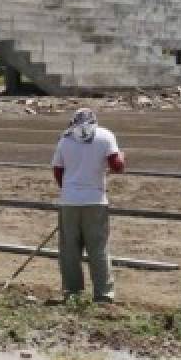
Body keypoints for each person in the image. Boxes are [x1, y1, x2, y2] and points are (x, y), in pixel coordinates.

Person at [51, 108, 125, 303]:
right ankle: (103, 295)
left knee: (69, 251)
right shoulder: (106, 136)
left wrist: (67, 189)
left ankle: (73, 292)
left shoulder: (65, 139)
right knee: (98, 249)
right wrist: (123, 156)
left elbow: (58, 169)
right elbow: (117, 166)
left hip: (70, 202)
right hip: (96, 202)